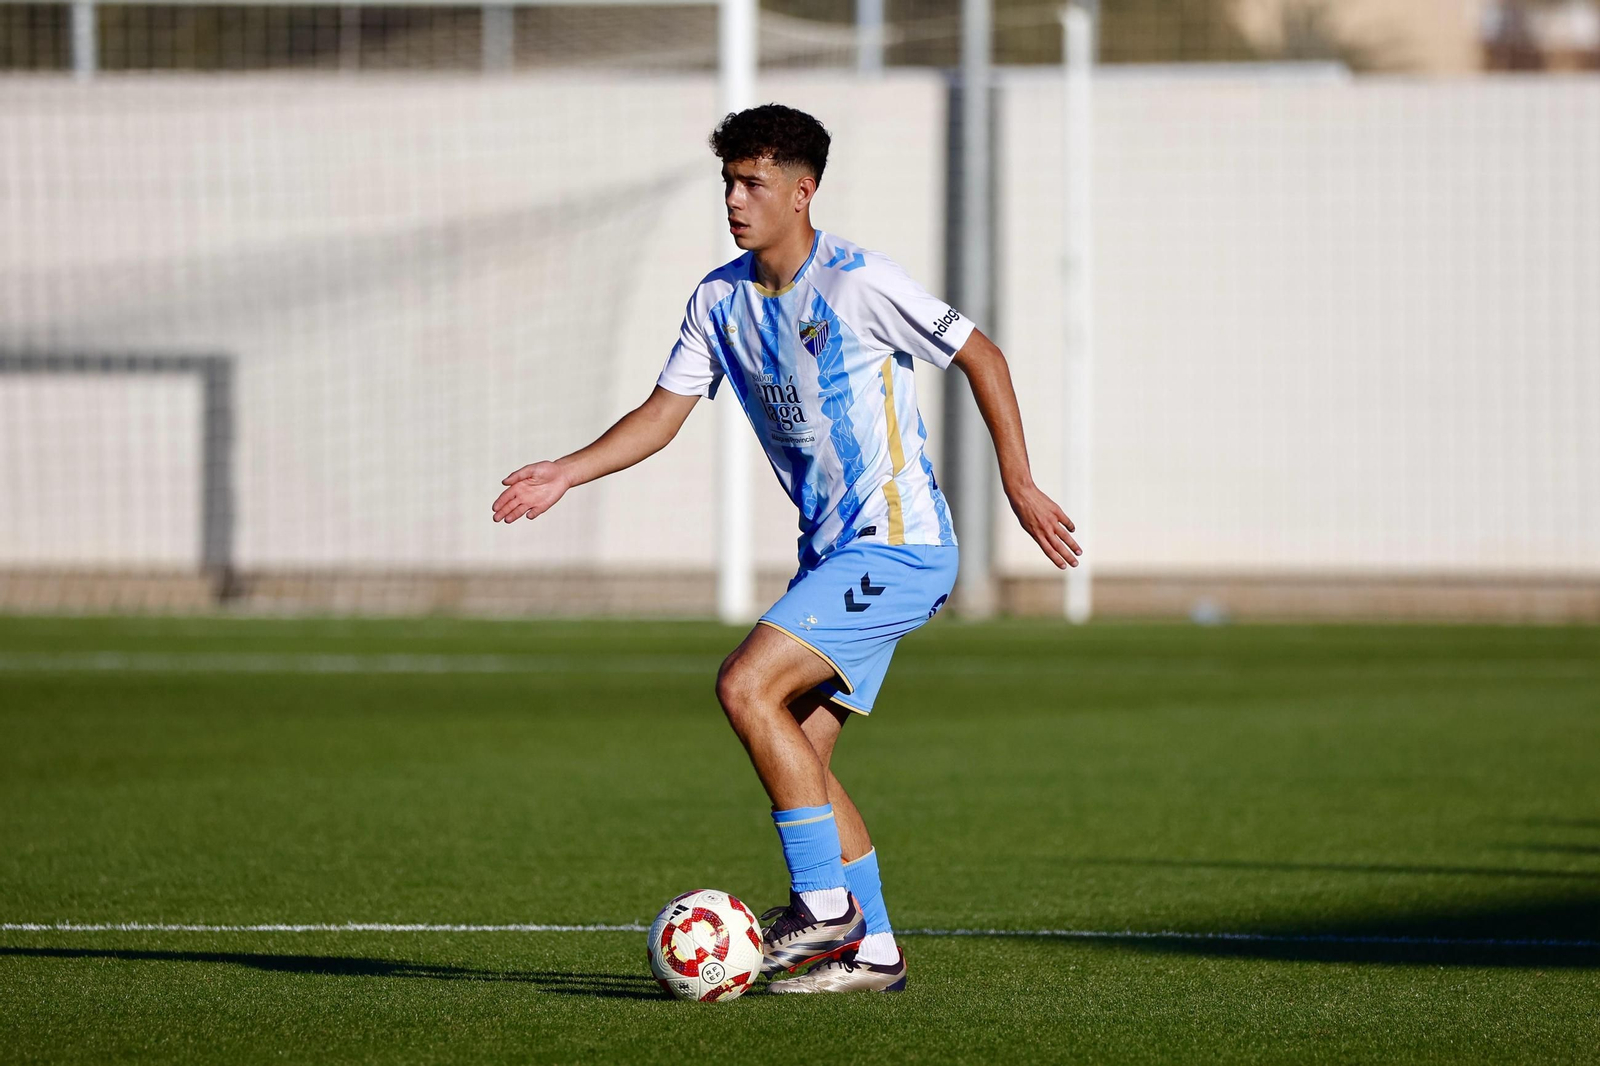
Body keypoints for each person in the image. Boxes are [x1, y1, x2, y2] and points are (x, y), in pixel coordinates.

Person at [492, 104, 1081, 993]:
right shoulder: (718, 300)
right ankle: (873, 947)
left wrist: (1019, 481)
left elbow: (982, 356)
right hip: (834, 560)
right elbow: (662, 415)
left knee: (743, 683)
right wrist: (568, 473)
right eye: (728, 180)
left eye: (753, 182)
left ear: (802, 193)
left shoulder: (858, 283)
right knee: (802, 750)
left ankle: (823, 907)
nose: (734, 198)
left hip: (900, 548)